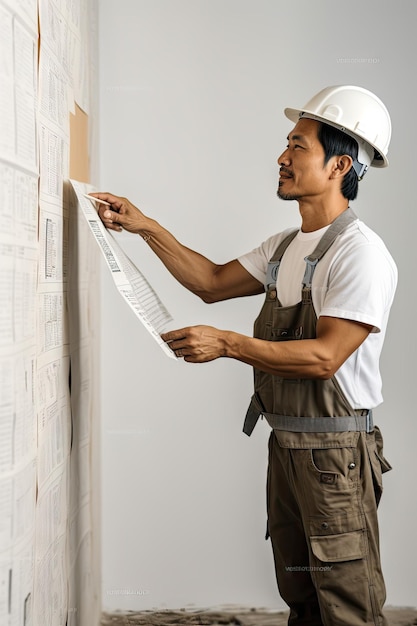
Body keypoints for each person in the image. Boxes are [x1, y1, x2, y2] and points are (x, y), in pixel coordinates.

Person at [93, 85, 397, 626]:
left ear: (339, 164)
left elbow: (326, 357)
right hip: (286, 445)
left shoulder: (361, 255)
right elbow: (209, 282)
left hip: (335, 456)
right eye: (287, 144)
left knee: (346, 603)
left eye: (297, 146)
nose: (282, 157)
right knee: (300, 593)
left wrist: (229, 344)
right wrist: (145, 226)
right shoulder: (284, 247)